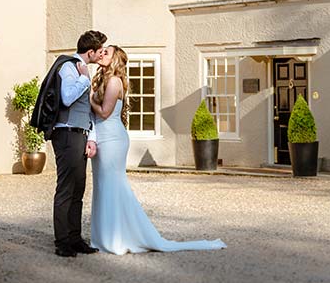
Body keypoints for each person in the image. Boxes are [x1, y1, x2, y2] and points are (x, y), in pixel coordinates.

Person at [88, 45, 226, 255]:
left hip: (112, 139)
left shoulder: (115, 81)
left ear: (114, 59)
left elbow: (105, 112)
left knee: (111, 184)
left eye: (106, 52)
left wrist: (89, 99)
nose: (101, 53)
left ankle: (115, 238)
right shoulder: (105, 80)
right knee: (102, 185)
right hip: (103, 136)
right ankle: (104, 236)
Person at [31, 30, 107, 257]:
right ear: (90, 52)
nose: (102, 53)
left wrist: (91, 137)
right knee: (66, 188)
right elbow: (66, 97)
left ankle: (75, 238)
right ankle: (62, 241)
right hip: (66, 135)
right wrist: (84, 78)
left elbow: (86, 108)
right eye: (100, 49)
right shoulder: (69, 66)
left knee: (78, 188)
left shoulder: (82, 69)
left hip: (80, 135)